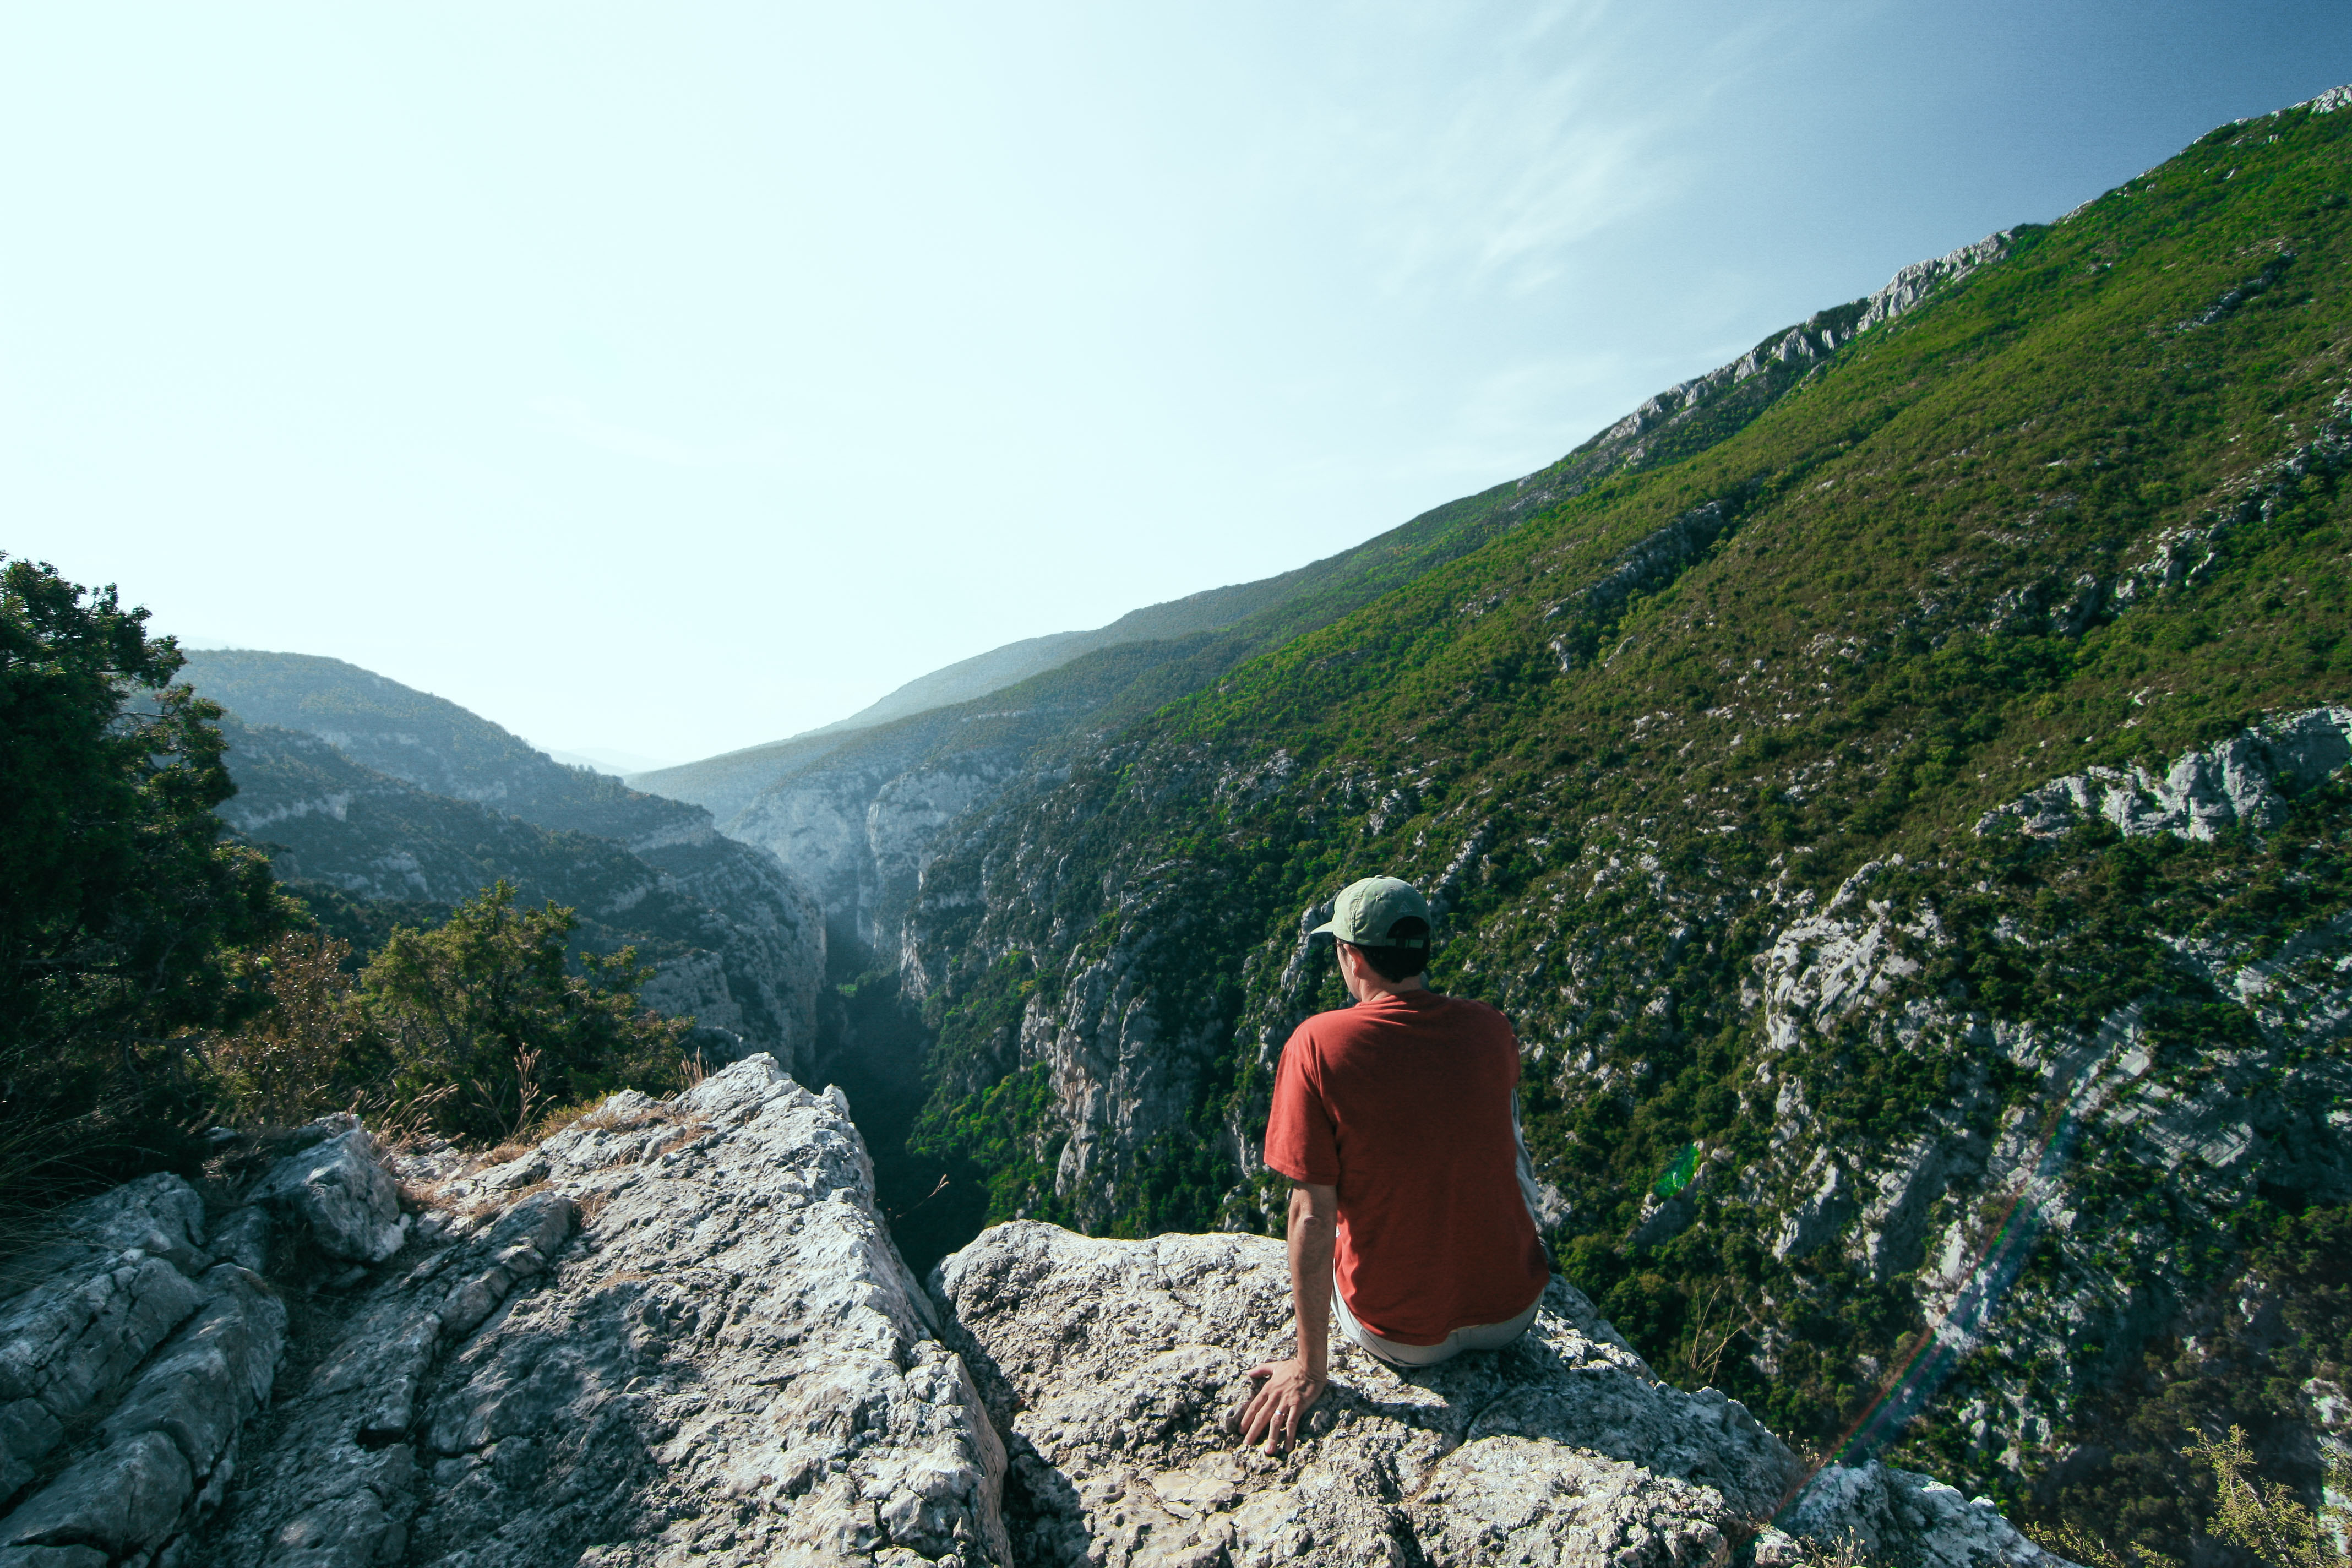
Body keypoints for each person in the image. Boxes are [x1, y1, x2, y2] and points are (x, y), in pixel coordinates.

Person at [1237, 874, 1550, 1453]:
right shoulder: (1491, 1027)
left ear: (1352, 957)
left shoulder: (1317, 1045)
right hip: (1514, 1311)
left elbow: (1312, 1215)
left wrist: (1308, 1369)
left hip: (1403, 1337)